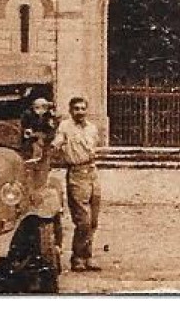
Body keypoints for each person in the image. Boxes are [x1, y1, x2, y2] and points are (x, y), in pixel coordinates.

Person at [50, 96, 102, 271]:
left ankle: (88, 256)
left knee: (93, 219)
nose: (80, 112)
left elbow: (94, 147)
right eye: (76, 109)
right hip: (76, 174)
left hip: (92, 172)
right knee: (83, 220)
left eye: (83, 108)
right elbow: (57, 141)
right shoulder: (65, 127)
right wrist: (55, 146)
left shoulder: (92, 128)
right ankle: (77, 257)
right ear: (71, 111)